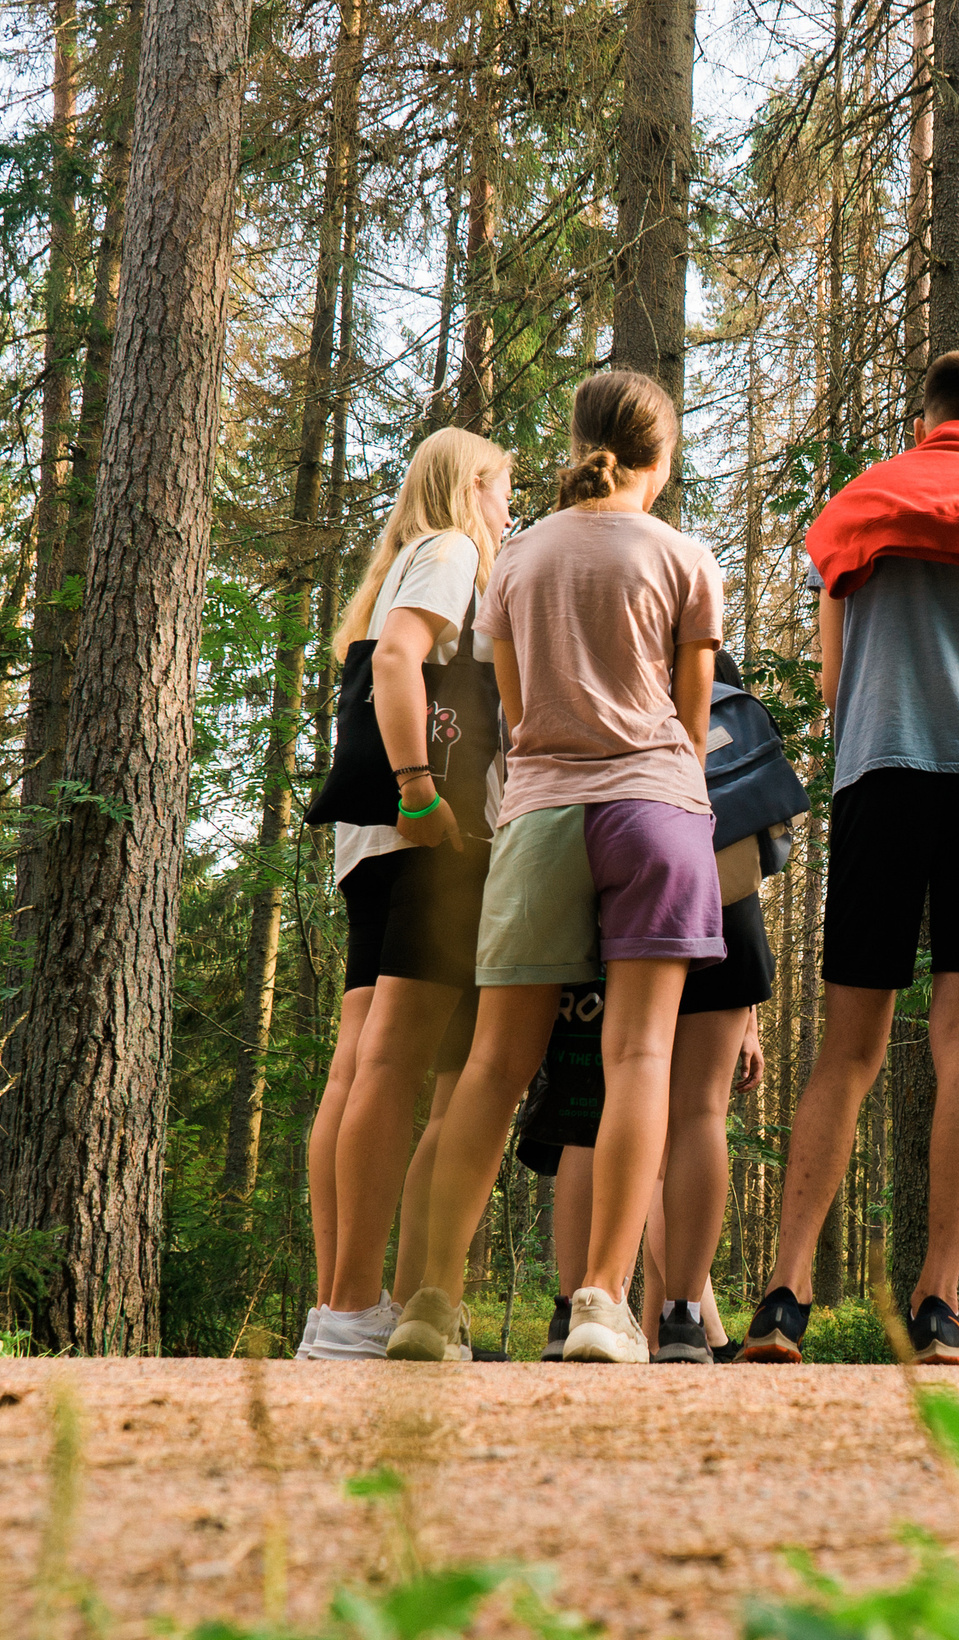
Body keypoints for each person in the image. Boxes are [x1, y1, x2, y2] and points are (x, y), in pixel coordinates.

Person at [739, 349, 959, 1364]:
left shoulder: (860, 507)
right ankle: (937, 1304)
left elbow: (834, 680)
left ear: (926, 415)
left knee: (849, 1048)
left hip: (880, 777)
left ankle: (785, 1294)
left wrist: (870, 761)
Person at [385, 370, 724, 1365]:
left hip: (539, 814)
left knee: (493, 1067)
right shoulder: (683, 557)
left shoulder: (516, 559)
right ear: (659, 462)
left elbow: (521, 714)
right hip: (655, 808)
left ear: (577, 441)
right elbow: (694, 726)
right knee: (639, 1061)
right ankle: (602, 1305)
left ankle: (429, 1304)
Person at [295, 428, 510, 1360]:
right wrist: (422, 791)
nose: (510, 508)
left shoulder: (398, 561)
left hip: (372, 841)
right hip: (423, 829)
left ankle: (340, 1307)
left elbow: (377, 657)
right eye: (504, 488)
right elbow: (396, 665)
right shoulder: (453, 550)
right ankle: (350, 1312)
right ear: (468, 485)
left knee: (358, 1062)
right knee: (394, 1062)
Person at [529, 648, 776, 1364]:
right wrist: (751, 1018)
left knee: (589, 1107)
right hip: (722, 900)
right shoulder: (720, 678)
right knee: (701, 1111)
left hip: (622, 891)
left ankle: (578, 1308)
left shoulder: (600, 683)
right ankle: (681, 1321)